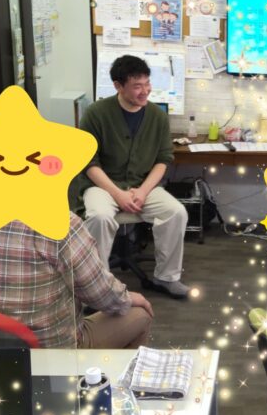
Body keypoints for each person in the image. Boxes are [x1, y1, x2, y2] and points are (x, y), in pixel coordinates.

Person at [0, 209, 154, 349]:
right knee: (140, 314)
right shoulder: (60, 222)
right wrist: (128, 298)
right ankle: (111, 393)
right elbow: (102, 296)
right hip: (48, 352)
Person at [75, 54, 190, 299]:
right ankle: (96, 287)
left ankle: (167, 277)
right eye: (137, 86)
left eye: (147, 84)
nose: (145, 91)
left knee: (176, 212)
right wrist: (118, 194)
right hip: (102, 185)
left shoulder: (157, 116)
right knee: (99, 217)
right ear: (118, 86)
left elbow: (163, 159)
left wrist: (143, 191)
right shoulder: (96, 113)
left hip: (141, 185)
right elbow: (88, 162)